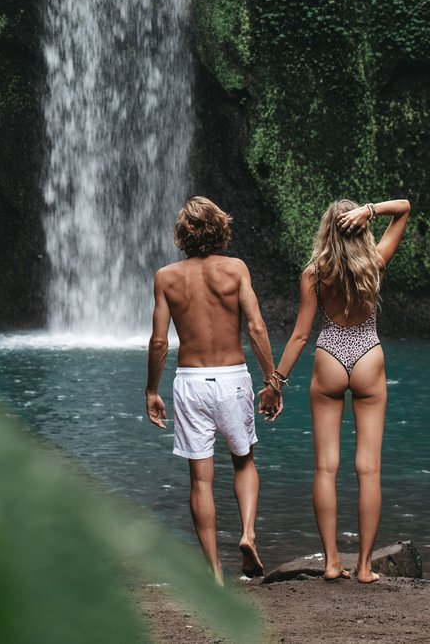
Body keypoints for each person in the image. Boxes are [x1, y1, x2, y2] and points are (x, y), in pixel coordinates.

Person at [259, 197, 410, 583]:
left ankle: (330, 562)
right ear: (359, 229)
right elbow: (405, 208)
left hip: (329, 357)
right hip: (367, 356)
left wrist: (275, 384)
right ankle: (363, 568)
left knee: (325, 467)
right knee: (369, 468)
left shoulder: (314, 274)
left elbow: (300, 336)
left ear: (326, 231)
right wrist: (371, 210)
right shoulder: (374, 262)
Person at [145, 196, 279, 584]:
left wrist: (152, 390)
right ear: (221, 228)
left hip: (190, 382)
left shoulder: (166, 277)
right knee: (244, 461)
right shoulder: (235, 269)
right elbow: (255, 327)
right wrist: (272, 380)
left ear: (182, 235)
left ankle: (214, 573)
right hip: (232, 377)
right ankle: (248, 534)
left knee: (200, 479)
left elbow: (159, 342)